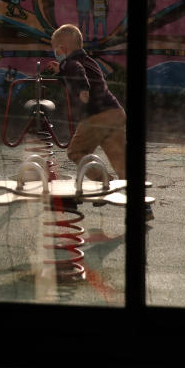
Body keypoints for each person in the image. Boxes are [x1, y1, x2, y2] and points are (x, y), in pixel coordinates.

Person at [47, 24, 153, 221]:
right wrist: (62, 73)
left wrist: (81, 88)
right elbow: (83, 74)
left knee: (75, 152)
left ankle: (103, 184)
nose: (56, 53)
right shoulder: (91, 61)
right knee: (122, 162)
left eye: (56, 49)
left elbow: (77, 74)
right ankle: (142, 206)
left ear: (63, 49)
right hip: (115, 112)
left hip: (96, 116)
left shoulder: (70, 63)